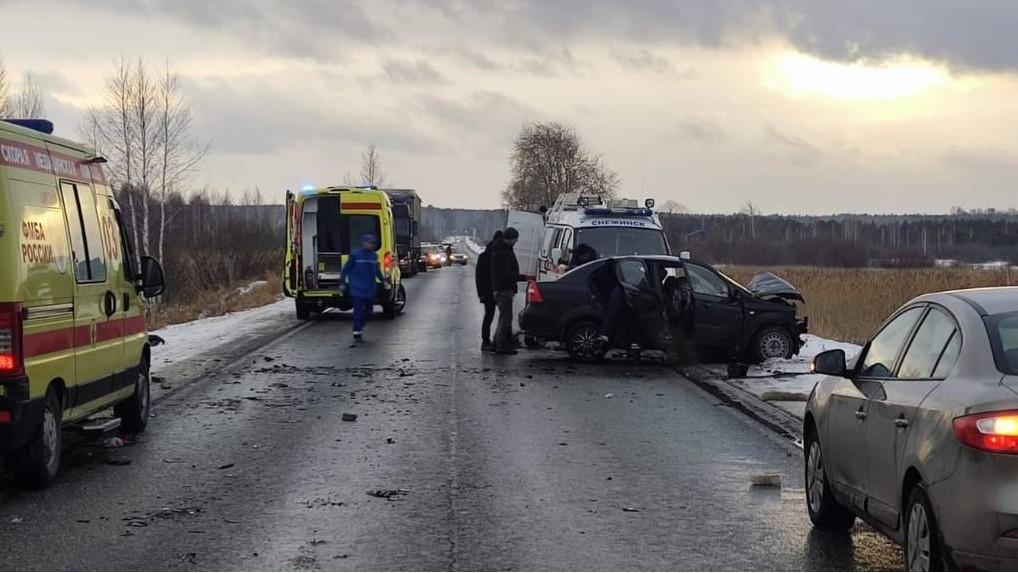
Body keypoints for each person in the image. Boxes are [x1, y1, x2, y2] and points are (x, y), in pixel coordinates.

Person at [340, 234, 387, 342]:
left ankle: (359, 325)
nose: (370, 245)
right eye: (369, 242)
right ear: (364, 243)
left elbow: (376, 271)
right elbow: (346, 268)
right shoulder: (355, 255)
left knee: (369, 311)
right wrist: (342, 282)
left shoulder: (374, 256)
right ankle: (357, 331)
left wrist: (383, 280)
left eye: (372, 243)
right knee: (358, 310)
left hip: (369, 288)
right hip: (356, 288)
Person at [490, 227, 527, 355]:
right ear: (510, 239)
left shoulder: (500, 250)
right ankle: (502, 345)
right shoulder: (503, 253)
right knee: (506, 318)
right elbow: (506, 274)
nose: (516, 242)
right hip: (504, 288)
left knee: (502, 318)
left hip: (500, 288)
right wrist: (521, 277)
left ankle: (497, 341)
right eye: (515, 239)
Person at [475, 230, 503, 352]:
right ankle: (497, 340)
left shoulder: (484, 256)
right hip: (496, 289)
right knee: (502, 316)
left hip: (488, 291)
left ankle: (486, 341)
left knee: (489, 316)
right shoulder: (498, 254)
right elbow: (480, 276)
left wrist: (481, 294)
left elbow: (478, 277)